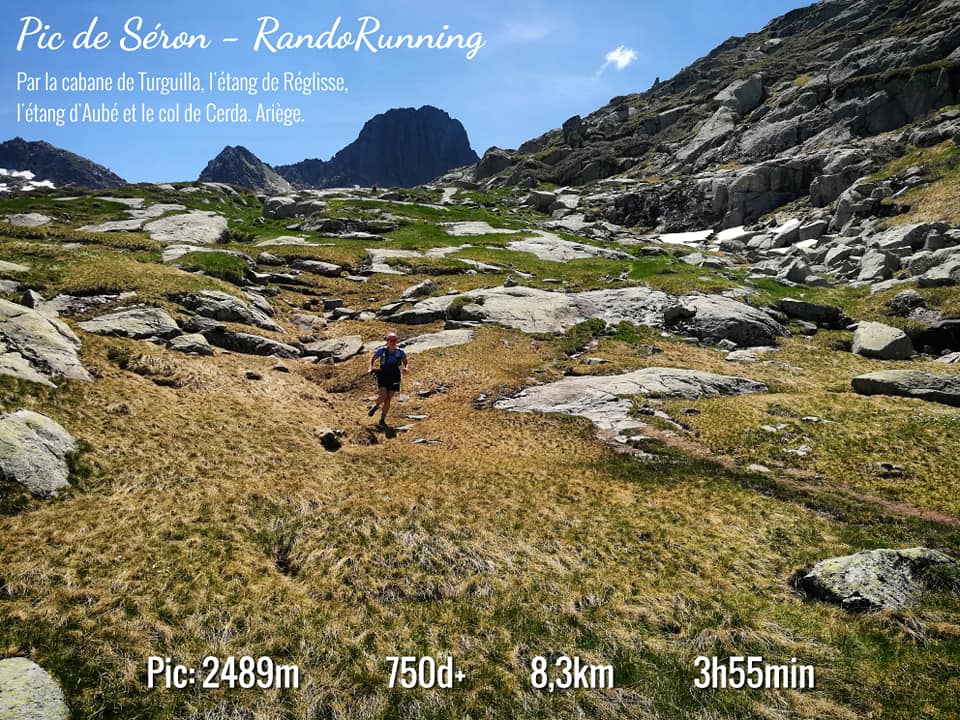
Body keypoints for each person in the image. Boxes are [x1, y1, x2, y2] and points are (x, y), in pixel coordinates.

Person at [367, 332, 408, 427]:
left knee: (388, 399)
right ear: (387, 341)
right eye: (391, 340)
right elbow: (372, 359)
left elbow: (406, 362)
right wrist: (370, 368)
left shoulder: (400, 352)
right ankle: (375, 407)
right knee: (383, 395)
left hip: (395, 375)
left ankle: (382, 419)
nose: (393, 342)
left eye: (395, 340)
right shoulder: (382, 350)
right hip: (383, 373)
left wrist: (406, 368)